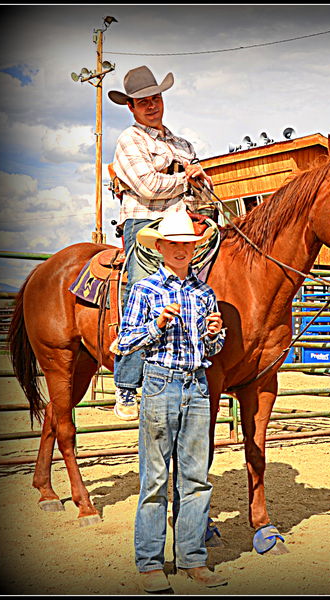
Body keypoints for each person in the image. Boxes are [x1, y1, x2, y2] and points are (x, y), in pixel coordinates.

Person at [116, 201, 227, 592]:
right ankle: (149, 563)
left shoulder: (205, 292)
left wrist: (215, 332)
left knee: (196, 477)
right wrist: (156, 325)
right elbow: (124, 341)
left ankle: (192, 558)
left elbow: (213, 348)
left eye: (188, 243)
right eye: (173, 243)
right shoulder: (145, 289)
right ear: (159, 247)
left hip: (197, 384)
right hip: (160, 382)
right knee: (156, 478)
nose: (182, 249)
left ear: (195, 247)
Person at [108, 65, 214, 421]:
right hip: (144, 222)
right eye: (143, 102)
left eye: (155, 98)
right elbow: (149, 187)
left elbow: (203, 189)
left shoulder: (182, 144)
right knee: (142, 287)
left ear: (162, 100)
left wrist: (200, 186)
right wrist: (188, 177)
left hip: (183, 223)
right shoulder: (129, 141)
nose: (151, 106)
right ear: (131, 107)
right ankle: (125, 383)